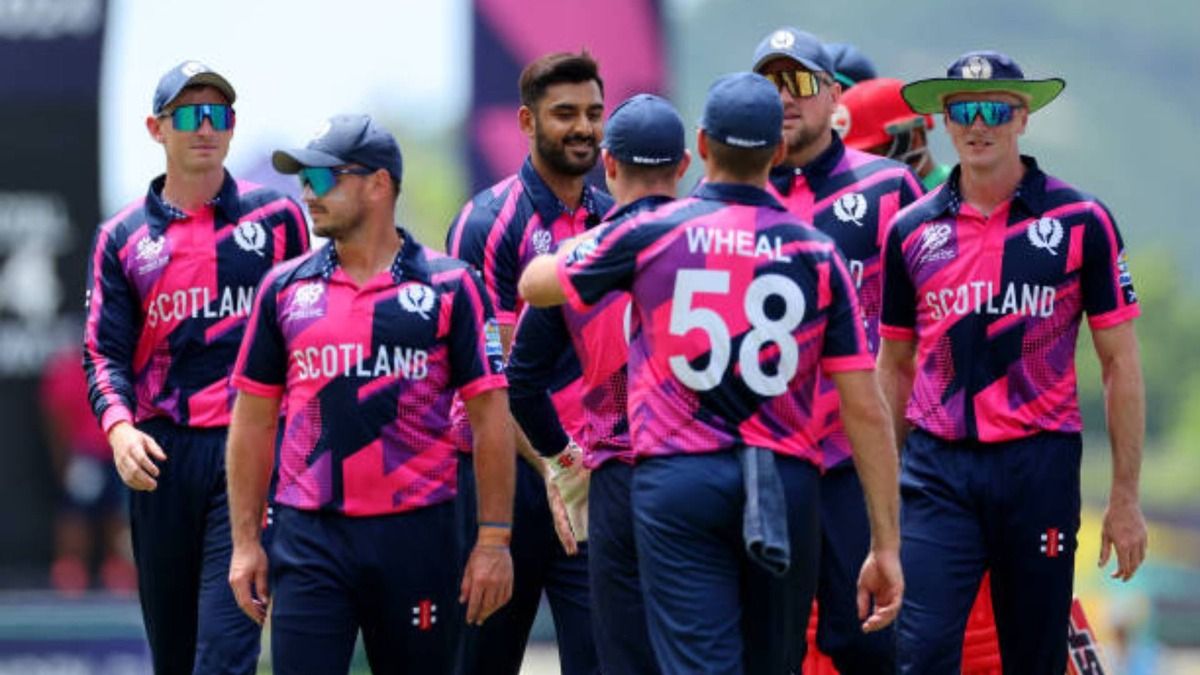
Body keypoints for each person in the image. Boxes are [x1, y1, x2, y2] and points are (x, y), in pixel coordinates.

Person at [519, 71, 903, 675]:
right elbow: (866, 407)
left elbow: (535, 284)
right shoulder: (816, 252)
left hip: (679, 478)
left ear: (701, 147)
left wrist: (607, 235)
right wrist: (885, 541)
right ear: (776, 152)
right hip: (784, 480)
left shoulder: (649, 234)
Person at [878, 50, 1148, 674]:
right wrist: (881, 495)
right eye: (962, 109)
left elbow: (1119, 365)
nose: (978, 124)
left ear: (1022, 117)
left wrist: (1126, 499)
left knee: (1033, 656)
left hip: (1039, 464)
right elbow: (892, 366)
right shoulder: (911, 231)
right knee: (919, 654)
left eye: (994, 109)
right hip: (937, 469)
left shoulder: (1081, 220)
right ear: (944, 121)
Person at [225, 114, 515, 674]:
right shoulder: (283, 288)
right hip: (309, 537)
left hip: (419, 534)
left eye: (323, 178)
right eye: (303, 179)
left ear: (379, 184)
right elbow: (253, 420)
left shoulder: (452, 285)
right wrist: (244, 544)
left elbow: (491, 418)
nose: (307, 192)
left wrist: (495, 541)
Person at [82, 60, 310, 674]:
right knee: (176, 656)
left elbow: (307, 332)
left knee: (224, 650)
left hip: (251, 450)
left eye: (219, 115)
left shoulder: (278, 220)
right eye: (190, 115)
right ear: (157, 129)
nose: (206, 128)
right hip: (160, 458)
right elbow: (103, 352)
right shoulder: (122, 237)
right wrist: (120, 429)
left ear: (232, 128)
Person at [750, 26, 923, 673]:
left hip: (856, 456)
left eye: (799, 82)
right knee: (771, 647)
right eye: (769, 83)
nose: (784, 98)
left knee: (867, 641)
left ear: (831, 96)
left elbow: (926, 326)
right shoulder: (736, 197)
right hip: (764, 458)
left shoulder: (887, 189)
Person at [506, 93, 689, 675]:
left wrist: (564, 459)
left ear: (608, 164)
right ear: (685, 165)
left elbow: (521, 381)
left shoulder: (582, 258)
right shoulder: (715, 240)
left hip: (618, 483)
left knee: (623, 661)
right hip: (706, 470)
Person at [445, 51, 611, 675]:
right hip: (504, 487)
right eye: (564, 114)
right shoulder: (487, 223)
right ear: (526, 121)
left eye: (594, 113)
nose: (583, 128)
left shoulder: (609, 220)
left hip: (590, 484)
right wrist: (551, 463)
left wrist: (579, 468)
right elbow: (488, 381)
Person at [41, 341, 136, 596]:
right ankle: (70, 569)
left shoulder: (122, 364)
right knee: (76, 514)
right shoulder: (69, 368)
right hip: (87, 456)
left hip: (119, 450)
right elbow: (56, 418)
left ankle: (120, 569)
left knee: (119, 514)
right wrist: (65, 462)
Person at [835, 77, 952, 189]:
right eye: (850, 160)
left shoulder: (958, 197)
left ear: (913, 140)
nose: (859, 167)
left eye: (869, 155)